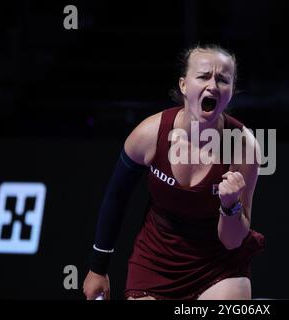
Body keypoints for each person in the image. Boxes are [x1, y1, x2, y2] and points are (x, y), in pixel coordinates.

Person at [82, 44, 265, 300]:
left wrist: (229, 205)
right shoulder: (148, 135)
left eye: (223, 79)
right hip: (156, 262)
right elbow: (117, 197)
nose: (212, 85)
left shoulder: (245, 148)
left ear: (231, 92)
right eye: (203, 76)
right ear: (183, 85)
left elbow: (233, 241)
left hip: (218, 266)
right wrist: (97, 269)